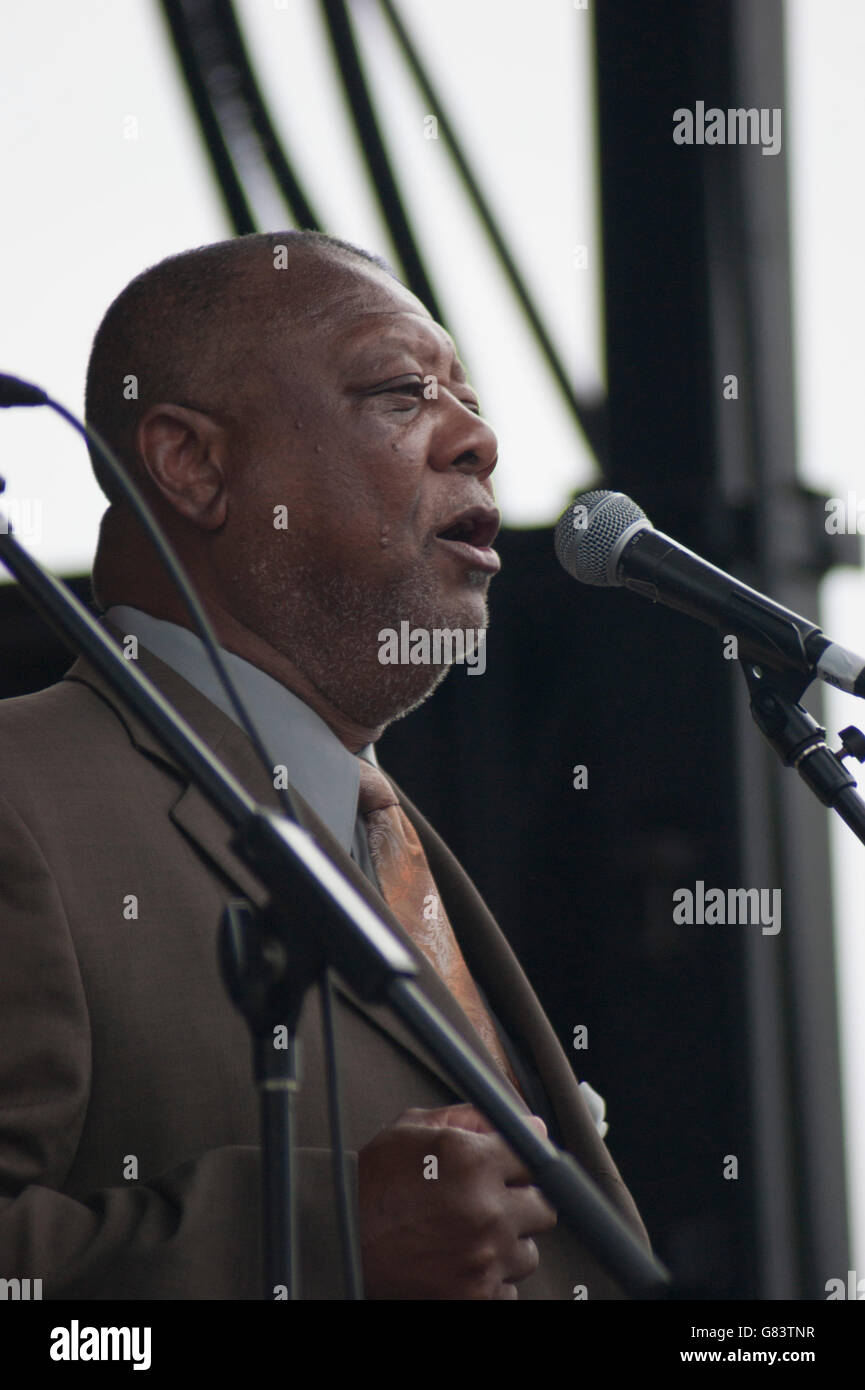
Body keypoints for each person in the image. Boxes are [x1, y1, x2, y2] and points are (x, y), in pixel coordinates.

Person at [0, 230, 649, 1299]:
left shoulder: (380, 831)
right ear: (194, 465)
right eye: (403, 392)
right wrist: (324, 1240)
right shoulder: (25, 797)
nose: (478, 438)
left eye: (471, 399)